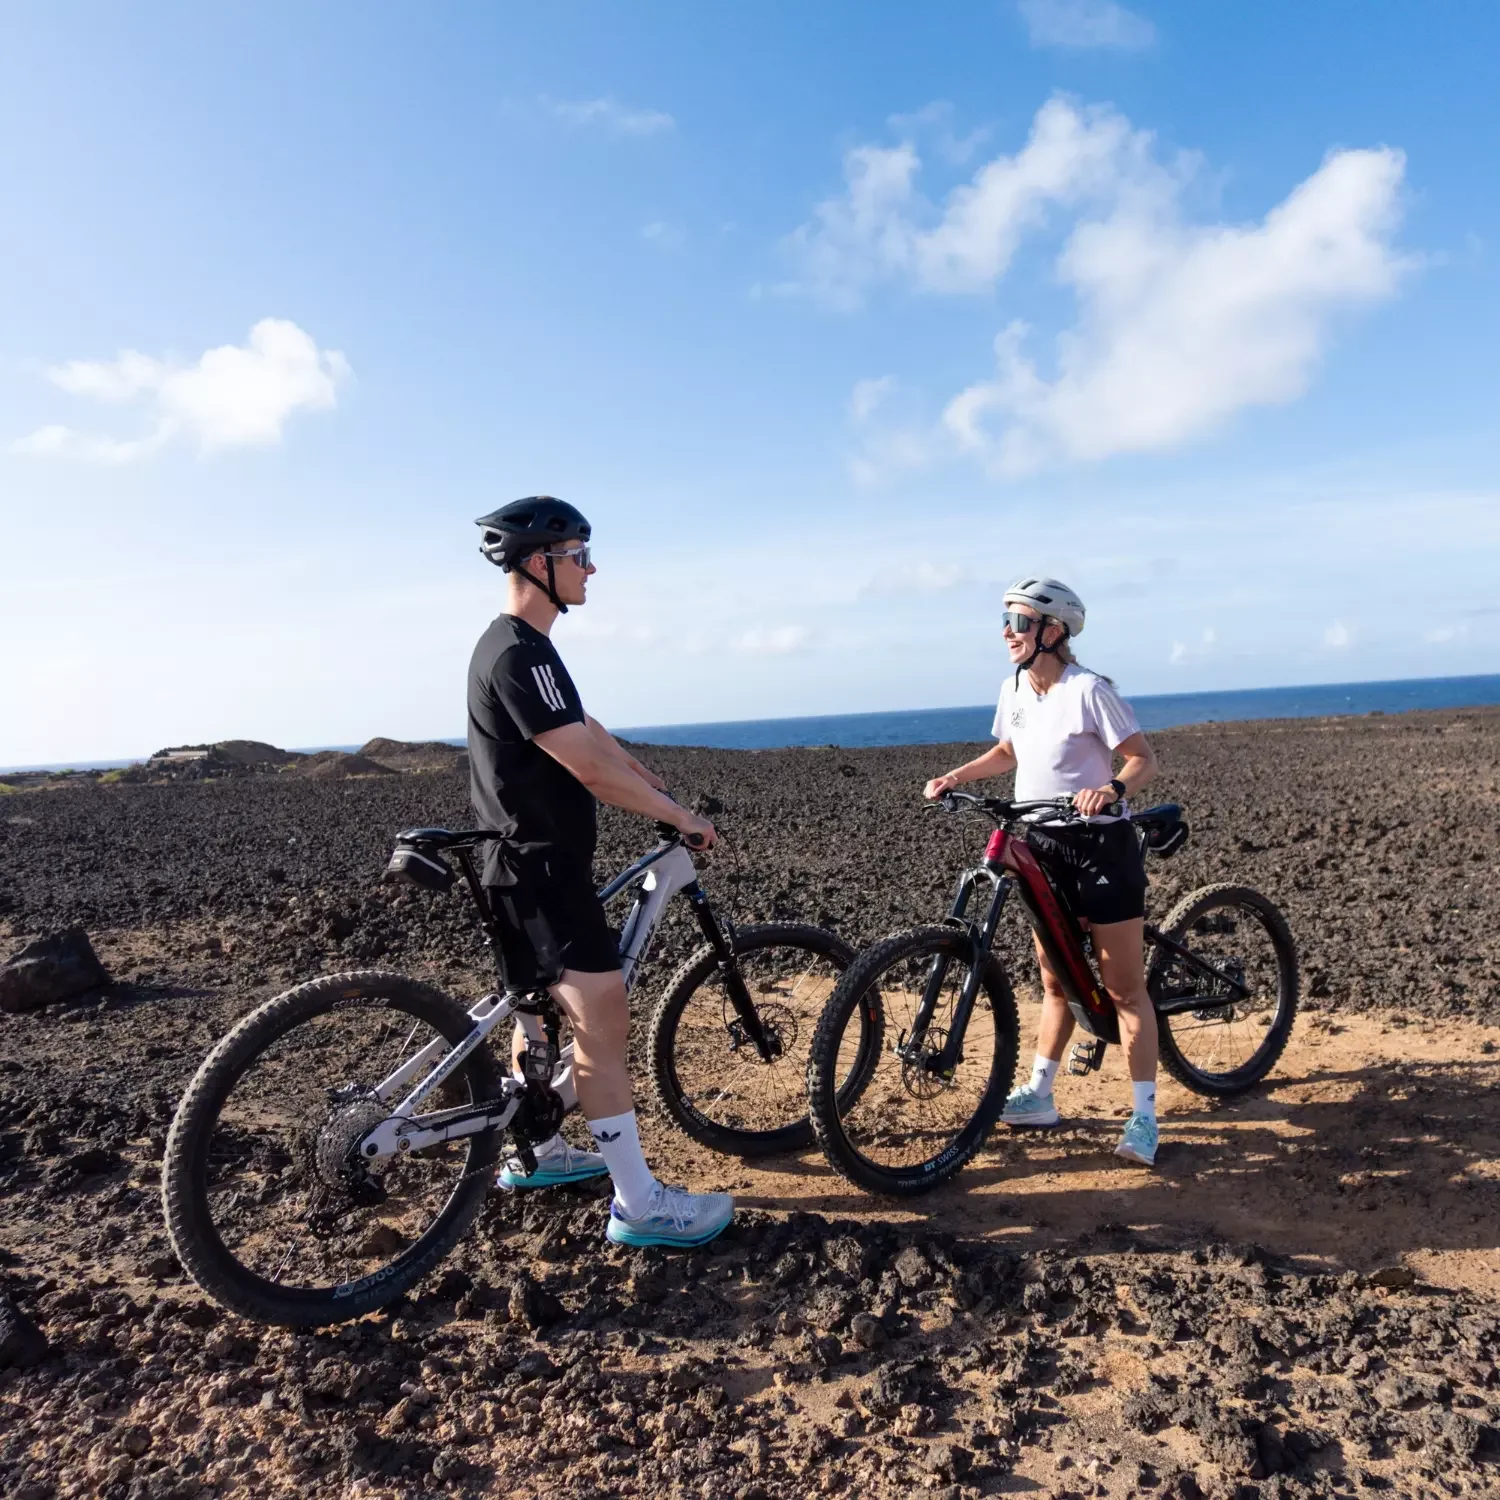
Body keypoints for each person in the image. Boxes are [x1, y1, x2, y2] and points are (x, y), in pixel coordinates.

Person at [467, 495, 734, 1245]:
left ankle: (538, 1150)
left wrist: (644, 777)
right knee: (603, 1024)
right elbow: (583, 765)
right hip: (544, 870)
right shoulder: (518, 653)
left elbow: (584, 728)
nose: (591, 568)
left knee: (536, 1011)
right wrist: (679, 817)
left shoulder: (522, 648)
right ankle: (639, 1204)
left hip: (519, 867)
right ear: (538, 563)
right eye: (579, 555)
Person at [922, 577, 1163, 1166]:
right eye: (1005, 621)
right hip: (1044, 844)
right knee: (1056, 980)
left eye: (1020, 622)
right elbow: (1009, 751)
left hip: (1099, 847)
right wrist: (956, 776)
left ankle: (1145, 1117)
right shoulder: (1014, 688)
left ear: (1053, 631)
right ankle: (1040, 1095)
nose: (1008, 632)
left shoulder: (1088, 690)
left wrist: (1111, 790)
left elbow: (1142, 758)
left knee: (1124, 989)